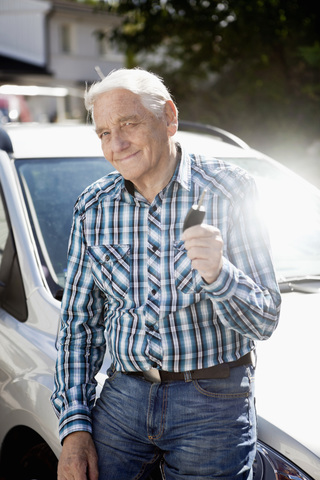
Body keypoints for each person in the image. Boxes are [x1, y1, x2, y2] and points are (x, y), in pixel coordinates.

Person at [51, 68, 281, 480]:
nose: (116, 144)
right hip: (122, 396)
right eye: (104, 133)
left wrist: (219, 274)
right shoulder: (94, 207)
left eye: (129, 124)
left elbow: (264, 319)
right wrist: (75, 428)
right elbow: (77, 327)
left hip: (213, 401)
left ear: (169, 117)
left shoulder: (231, 191)